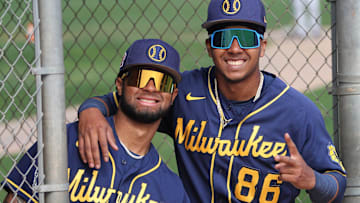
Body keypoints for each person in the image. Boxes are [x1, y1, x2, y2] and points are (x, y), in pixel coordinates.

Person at [77, 0, 347, 202]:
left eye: (245, 38)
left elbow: (337, 183)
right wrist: (91, 111)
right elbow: (127, 100)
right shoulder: (185, 91)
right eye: (223, 38)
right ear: (209, 47)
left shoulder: (297, 111)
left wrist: (311, 180)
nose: (234, 48)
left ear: (262, 46)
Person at [2, 39, 190, 203]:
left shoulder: (171, 191)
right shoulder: (64, 144)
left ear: (173, 95)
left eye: (162, 82)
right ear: (119, 85)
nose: (150, 88)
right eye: (138, 78)